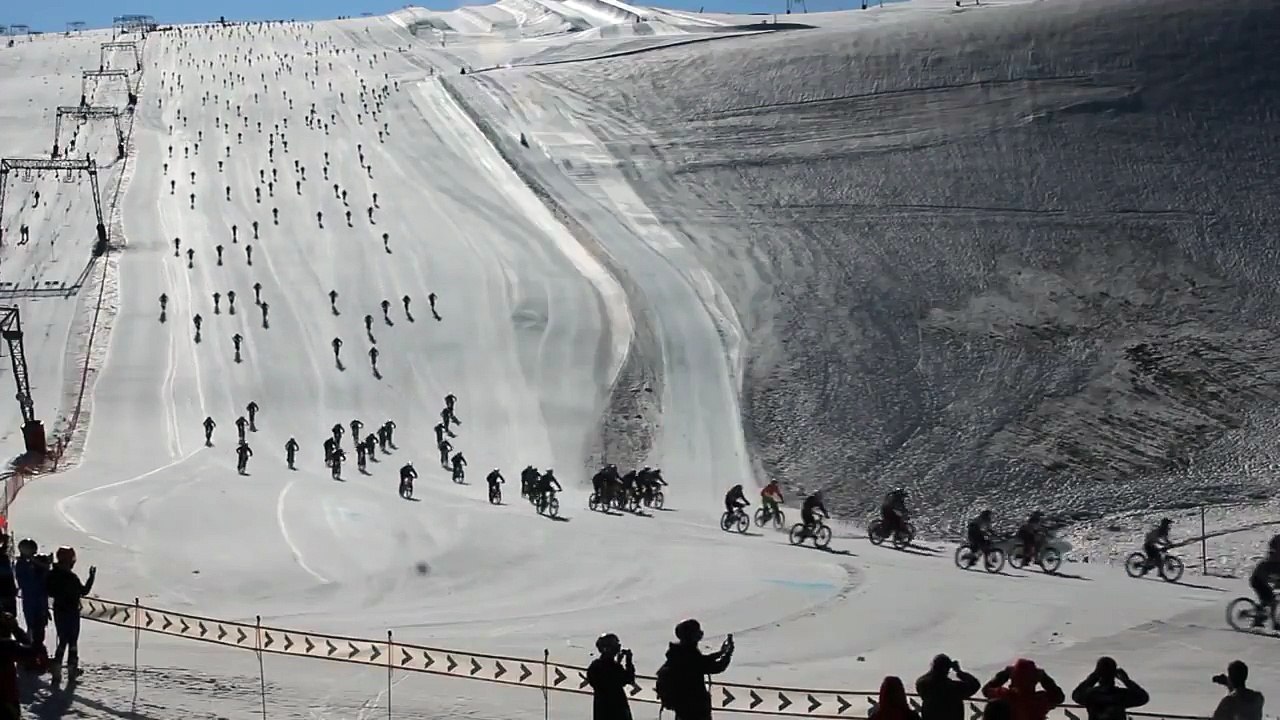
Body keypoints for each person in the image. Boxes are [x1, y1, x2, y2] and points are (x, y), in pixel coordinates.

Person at [659, 619, 733, 720]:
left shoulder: (678, 653)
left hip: (683, 709)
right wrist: (728, 654)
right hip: (695, 710)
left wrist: (720, 653)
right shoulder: (690, 655)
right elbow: (717, 667)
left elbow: (702, 661)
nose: (700, 634)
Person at [46, 547, 95, 682]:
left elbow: (49, 591)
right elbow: (83, 591)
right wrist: (91, 578)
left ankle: (56, 670)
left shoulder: (52, 574)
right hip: (72, 612)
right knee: (72, 641)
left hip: (59, 611)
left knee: (62, 640)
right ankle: (72, 671)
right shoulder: (71, 577)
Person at [981, 659, 1064, 720]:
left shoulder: (1003, 696)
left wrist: (1004, 674)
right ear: (1035, 679)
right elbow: (1058, 697)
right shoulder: (1039, 701)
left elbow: (986, 690)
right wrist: (1044, 678)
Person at [1071, 657, 1149, 719]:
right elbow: (1143, 697)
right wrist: (1126, 681)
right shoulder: (1121, 695)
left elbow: (1076, 695)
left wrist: (1093, 677)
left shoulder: (1091, 695)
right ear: (1114, 675)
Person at [14, 539, 49, 661]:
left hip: (39, 602)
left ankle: (37, 655)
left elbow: (44, 581)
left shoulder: (32, 565)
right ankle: (31, 656)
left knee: (40, 630)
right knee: (33, 629)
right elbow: (28, 583)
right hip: (31, 601)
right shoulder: (22, 565)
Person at [915, 653, 979, 720]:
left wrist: (933, 670)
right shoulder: (953, 688)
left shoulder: (924, 685)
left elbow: (920, 681)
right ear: (947, 669)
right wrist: (959, 671)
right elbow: (975, 684)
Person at [587, 633, 635, 720]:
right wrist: (629, 661)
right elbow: (628, 679)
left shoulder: (595, 665)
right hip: (617, 709)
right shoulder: (611, 666)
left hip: (601, 708)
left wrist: (618, 663)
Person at [1247, 536, 1280, 628]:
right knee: (1272, 600)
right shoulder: (1273, 562)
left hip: (1261, 580)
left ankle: (1259, 618)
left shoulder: (1273, 560)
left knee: (1267, 600)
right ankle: (1274, 624)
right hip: (1258, 580)